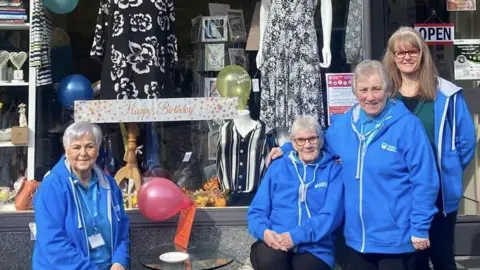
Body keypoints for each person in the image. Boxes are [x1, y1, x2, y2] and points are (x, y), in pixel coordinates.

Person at [266, 60, 440, 270]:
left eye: (376, 89)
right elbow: (321, 142)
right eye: (363, 90)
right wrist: (286, 149)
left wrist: (420, 227)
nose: (370, 96)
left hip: (396, 239)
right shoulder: (345, 124)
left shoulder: (407, 126)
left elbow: (425, 180)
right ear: (355, 92)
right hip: (357, 240)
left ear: (387, 89)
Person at [382, 26, 476, 270]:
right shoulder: (385, 95)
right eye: (399, 53)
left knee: (443, 257)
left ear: (422, 54)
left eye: (412, 51)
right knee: (413, 259)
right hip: (401, 192)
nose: (406, 57)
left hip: (438, 193)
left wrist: (448, 167)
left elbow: (465, 142)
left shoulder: (446, 93)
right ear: (392, 57)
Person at [248, 115, 344, 270]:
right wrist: (264, 232)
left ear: (321, 140)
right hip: (276, 240)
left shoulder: (333, 171)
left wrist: (295, 237)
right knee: (271, 261)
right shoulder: (277, 167)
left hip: (316, 246)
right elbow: (257, 211)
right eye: (301, 140)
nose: (307, 145)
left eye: (312, 139)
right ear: (292, 142)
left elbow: (331, 216)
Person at [33, 122, 130, 270]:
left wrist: (120, 262)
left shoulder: (109, 184)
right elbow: (52, 243)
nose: (83, 153)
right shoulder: (52, 187)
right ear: (66, 150)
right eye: (76, 147)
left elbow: (122, 230)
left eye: (90, 146)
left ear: (98, 150)